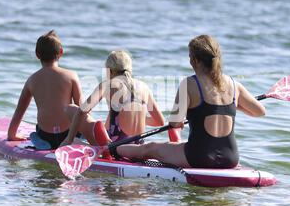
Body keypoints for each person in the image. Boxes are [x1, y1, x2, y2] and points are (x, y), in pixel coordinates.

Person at [114, 35, 266, 169]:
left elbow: (174, 123)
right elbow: (259, 111)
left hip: (199, 157)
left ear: (196, 60)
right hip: (230, 158)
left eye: (189, 57)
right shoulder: (234, 85)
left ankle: (111, 150)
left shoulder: (189, 84)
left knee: (149, 148)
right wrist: (232, 105)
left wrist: (181, 118)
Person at [59, 50, 165, 149]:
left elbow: (81, 111)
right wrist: (134, 118)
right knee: (112, 117)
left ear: (109, 70)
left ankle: (90, 147)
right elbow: (159, 121)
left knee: (71, 110)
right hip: (138, 145)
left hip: (115, 146)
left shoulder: (107, 85)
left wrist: (69, 139)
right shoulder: (144, 86)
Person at [7, 30, 82, 149]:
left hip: (45, 136)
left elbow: (19, 111)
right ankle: (79, 140)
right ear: (61, 52)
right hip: (69, 135)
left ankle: (40, 141)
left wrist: (12, 135)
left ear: (37, 55)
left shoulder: (32, 80)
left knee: (36, 134)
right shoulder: (71, 76)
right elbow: (81, 110)